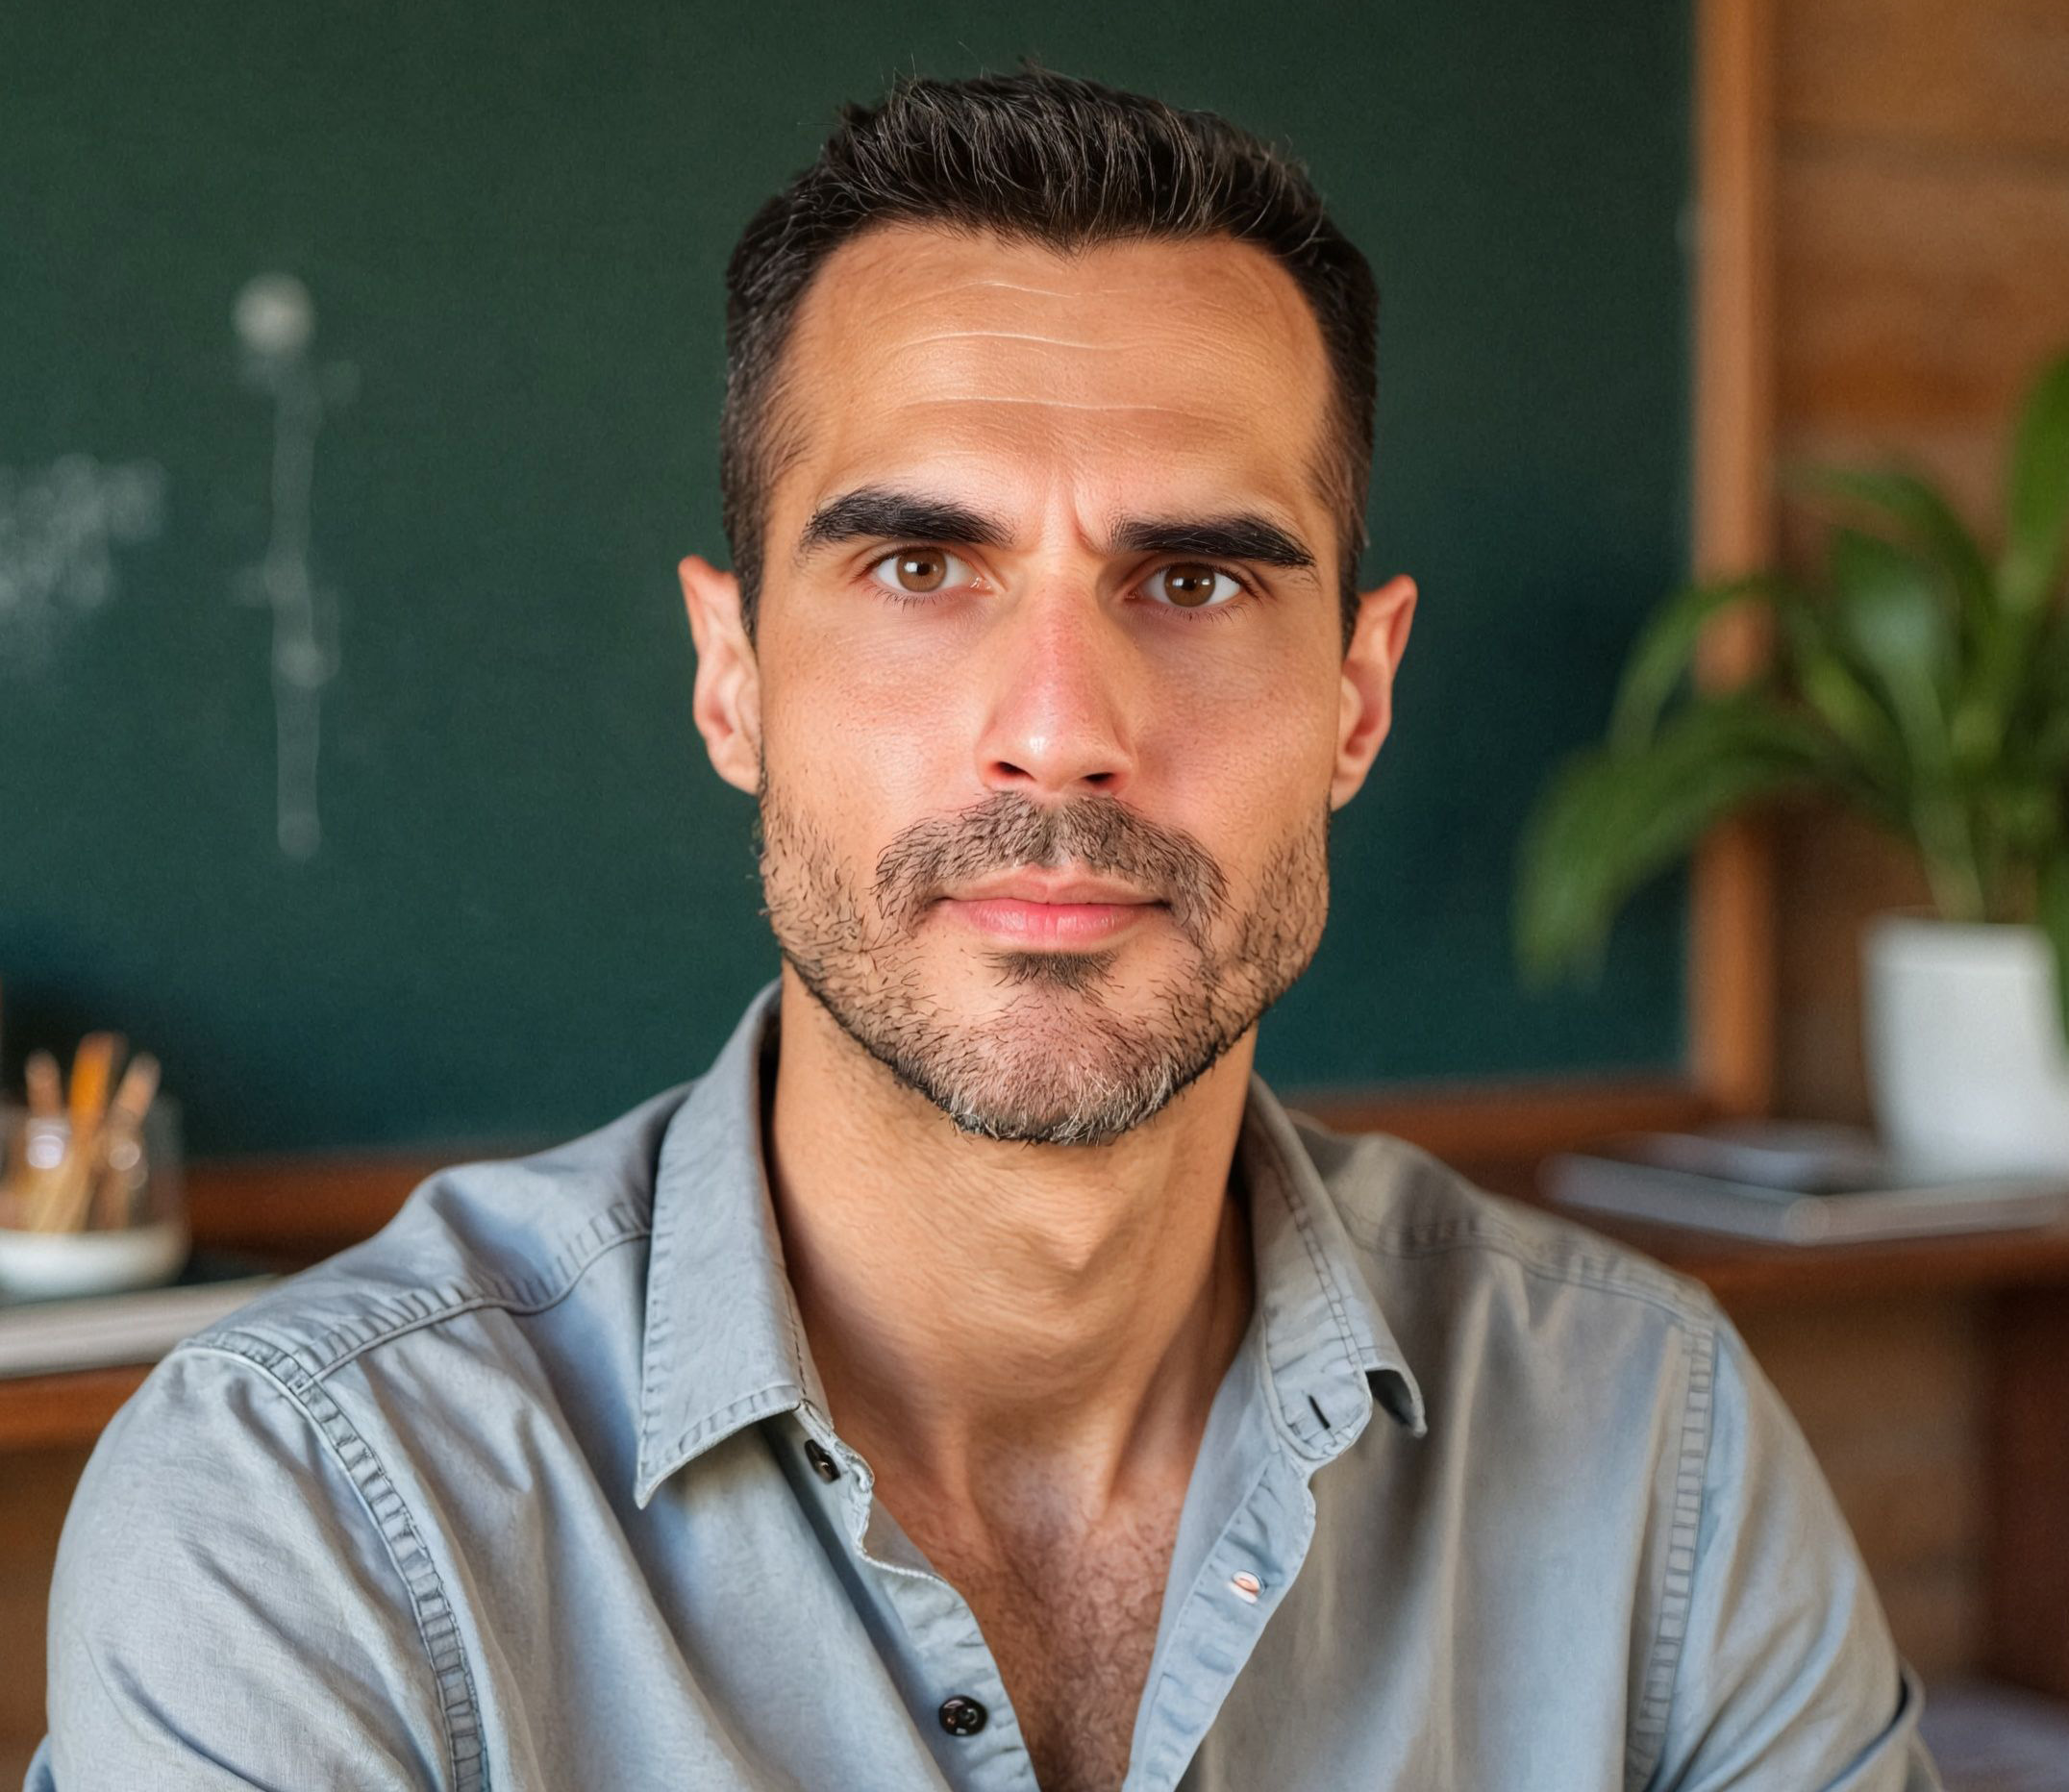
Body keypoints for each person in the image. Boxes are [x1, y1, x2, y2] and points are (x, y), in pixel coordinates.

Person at [31, 66, 1940, 1792]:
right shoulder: (314, 1507)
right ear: (732, 678)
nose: (1058, 722)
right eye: (920, 564)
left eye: (1192, 574)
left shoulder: (1645, 1446)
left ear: (1357, 697)